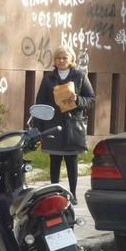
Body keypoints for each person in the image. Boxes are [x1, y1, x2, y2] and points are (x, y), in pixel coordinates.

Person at [33, 45, 95, 205]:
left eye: (64, 58)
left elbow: (91, 100)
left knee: (71, 161)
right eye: (58, 58)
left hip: (72, 126)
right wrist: (38, 128)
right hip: (53, 125)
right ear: (54, 61)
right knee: (54, 160)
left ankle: (73, 194)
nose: (61, 61)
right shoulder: (48, 78)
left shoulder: (80, 76)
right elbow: (40, 103)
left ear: (71, 60)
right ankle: (55, 193)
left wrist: (77, 100)